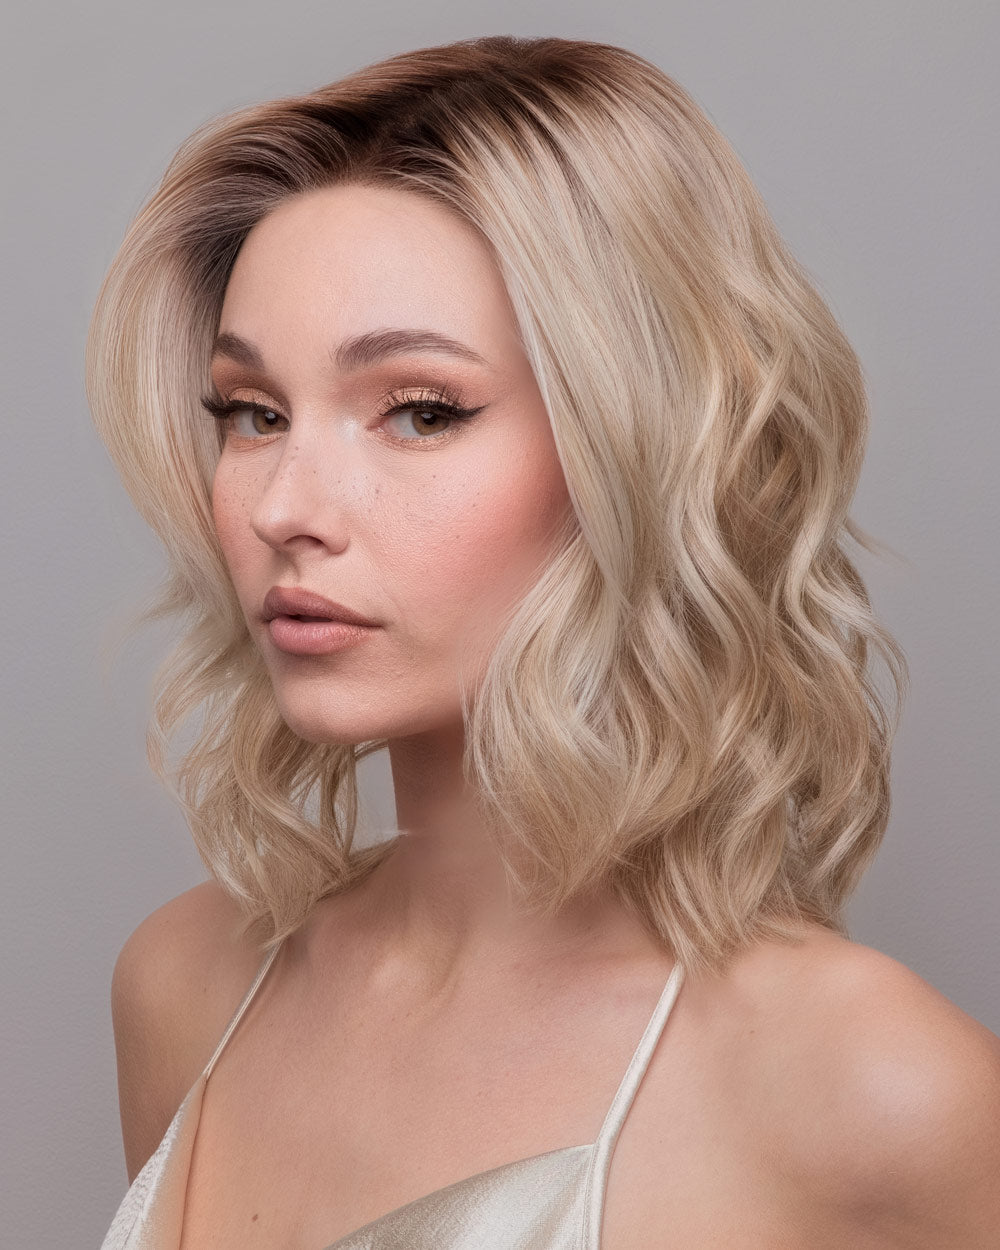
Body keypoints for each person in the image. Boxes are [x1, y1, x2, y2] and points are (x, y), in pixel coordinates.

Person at [88, 34, 1000, 1250]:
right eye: (253, 412)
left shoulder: (872, 1092)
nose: (282, 507)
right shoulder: (183, 985)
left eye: (420, 411)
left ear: (634, 446)